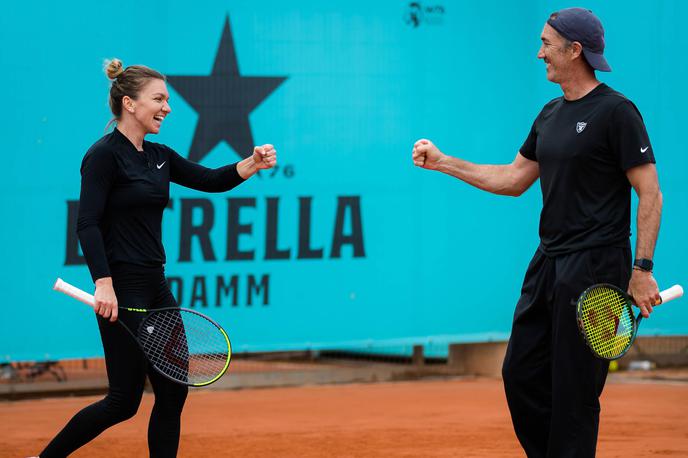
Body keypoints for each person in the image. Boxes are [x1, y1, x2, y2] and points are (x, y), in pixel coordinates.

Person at [412, 7, 662, 457]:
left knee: (574, 393)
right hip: (548, 262)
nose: (539, 52)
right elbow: (511, 180)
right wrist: (444, 161)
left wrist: (642, 269)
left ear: (575, 50)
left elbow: (650, 193)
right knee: (521, 375)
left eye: (547, 44)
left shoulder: (617, 112)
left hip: (596, 265)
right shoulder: (549, 114)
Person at [34, 58, 277, 458]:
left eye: (167, 100)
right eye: (159, 99)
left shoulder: (159, 155)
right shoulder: (103, 156)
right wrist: (104, 283)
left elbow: (211, 180)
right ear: (130, 103)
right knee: (123, 402)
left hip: (156, 285)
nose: (167, 107)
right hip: (121, 288)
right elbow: (87, 224)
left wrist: (252, 163)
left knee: (173, 391)